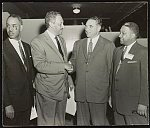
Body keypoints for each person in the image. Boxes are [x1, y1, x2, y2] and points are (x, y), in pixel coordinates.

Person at [30, 11, 74, 126]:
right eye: (61, 24)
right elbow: (40, 65)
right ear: (51, 23)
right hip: (47, 91)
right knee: (47, 123)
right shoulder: (37, 41)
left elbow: (64, 62)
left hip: (62, 90)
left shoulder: (61, 40)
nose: (63, 27)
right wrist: (63, 66)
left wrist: (69, 80)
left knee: (60, 122)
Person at [70, 16, 115, 125]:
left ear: (98, 28)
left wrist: (110, 95)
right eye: (86, 26)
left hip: (99, 94)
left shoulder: (108, 45)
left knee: (99, 122)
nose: (86, 29)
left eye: (90, 26)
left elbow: (111, 71)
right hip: (81, 93)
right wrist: (63, 66)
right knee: (81, 123)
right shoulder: (78, 44)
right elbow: (72, 64)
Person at [110, 22, 149, 125]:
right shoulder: (117, 51)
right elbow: (113, 76)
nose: (119, 36)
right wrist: (111, 97)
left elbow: (146, 80)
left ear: (133, 35)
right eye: (120, 33)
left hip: (134, 106)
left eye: (123, 33)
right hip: (117, 104)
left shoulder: (143, 52)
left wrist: (143, 103)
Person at [3, 14, 35, 126]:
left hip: (27, 102)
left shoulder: (27, 47)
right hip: (12, 104)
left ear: (21, 27)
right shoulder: (3, 49)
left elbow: (30, 74)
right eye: (8, 26)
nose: (10, 29)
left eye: (14, 26)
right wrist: (7, 105)